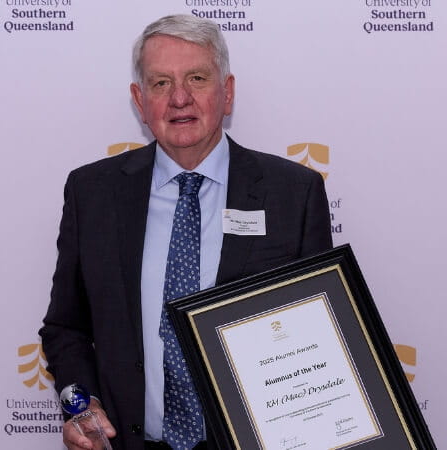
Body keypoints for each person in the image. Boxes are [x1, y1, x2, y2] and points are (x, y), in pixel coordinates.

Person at [40, 14, 333, 450]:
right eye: (160, 84)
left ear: (227, 92)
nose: (179, 98)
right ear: (140, 101)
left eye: (197, 78)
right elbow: (65, 328)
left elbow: (317, 337)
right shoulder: (93, 193)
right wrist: (81, 405)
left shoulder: (293, 194)